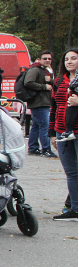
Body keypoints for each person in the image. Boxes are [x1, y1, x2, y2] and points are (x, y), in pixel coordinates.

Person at [53, 49, 78, 220]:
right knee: (71, 172)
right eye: (66, 59)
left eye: (74, 58)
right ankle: (74, 209)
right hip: (62, 131)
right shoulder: (59, 81)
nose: (69, 61)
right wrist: (52, 133)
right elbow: (53, 107)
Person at [25, 50, 56, 156]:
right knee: (44, 126)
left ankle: (33, 148)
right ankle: (46, 149)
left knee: (37, 126)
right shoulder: (35, 69)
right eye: (45, 58)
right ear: (39, 59)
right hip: (39, 102)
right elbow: (28, 82)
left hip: (42, 101)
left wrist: (50, 81)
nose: (47, 60)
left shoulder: (45, 70)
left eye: (49, 58)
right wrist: (44, 87)